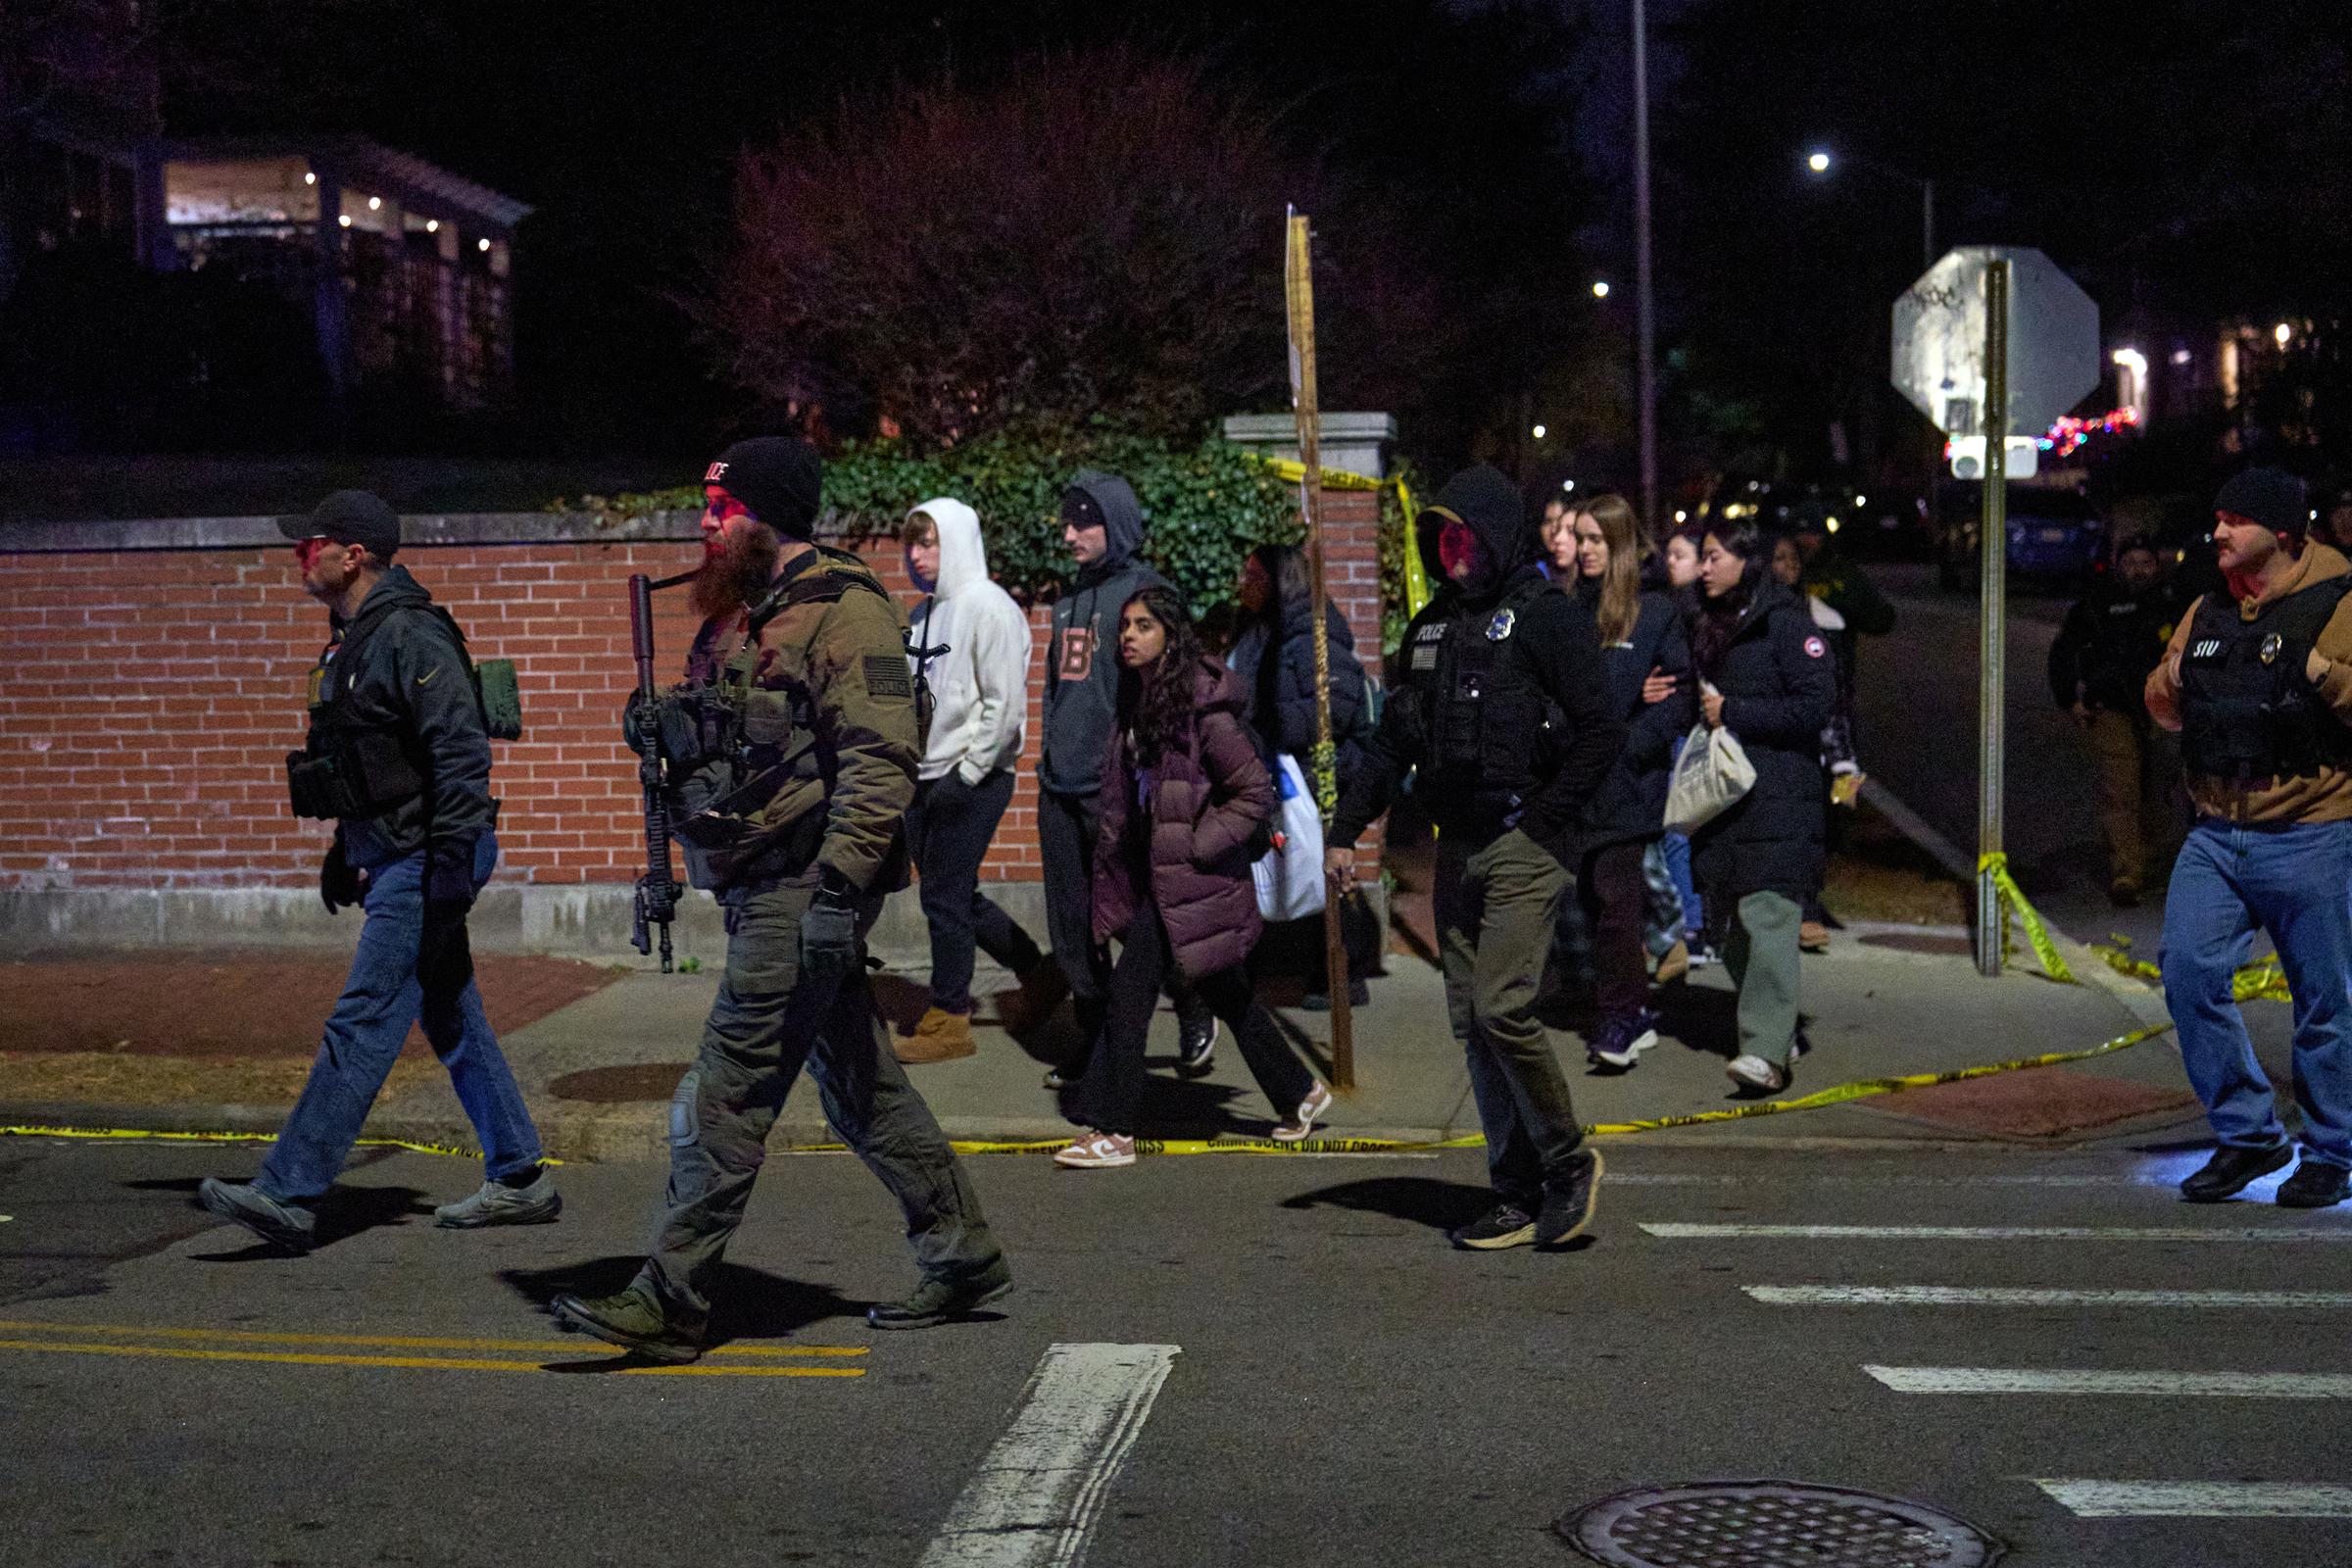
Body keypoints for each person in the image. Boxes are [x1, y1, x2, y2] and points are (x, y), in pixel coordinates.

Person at [552, 437, 1008, 1360]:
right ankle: (962, 1251)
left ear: (767, 518)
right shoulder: (739, 615)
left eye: (724, 510)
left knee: (728, 1090)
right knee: (860, 1090)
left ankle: (671, 1297)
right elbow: (723, 735)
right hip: (758, 878)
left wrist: (839, 893)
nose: (708, 524)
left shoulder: (846, 613)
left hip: (805, 887)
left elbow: (880, 766)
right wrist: (663, 727)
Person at [197, 492, 557, 1254]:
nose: (301, 555)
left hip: (430, 854)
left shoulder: (409, 634)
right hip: (396, 849)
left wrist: (453, 864)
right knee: (450, 1013)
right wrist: (343, 849)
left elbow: (460, 753)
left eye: (311, 543)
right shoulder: (354, 639)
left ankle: (288, 1191)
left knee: (365, 1015)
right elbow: (360, 763)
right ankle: (521, 1176)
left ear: (352, 554)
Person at [1328, 465, 1622, 1250]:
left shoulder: (1546, 620)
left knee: (1501, 1006)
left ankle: (1566, 1163)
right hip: (1457, 843)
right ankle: (1515, 1188)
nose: (1455, 552)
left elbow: (1601, 730)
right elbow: (1392, 742)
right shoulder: (1431, 628)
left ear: (1497, 538)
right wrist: (1343, 829)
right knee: (1471, 1021)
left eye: (1467, 536)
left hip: (1525, 841)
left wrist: (1548, 819)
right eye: (1444, 538)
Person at [1054, 588, 1337, 1167]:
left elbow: (1253, 791)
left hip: (1192, 880)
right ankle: (1299, 1091)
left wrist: (1197, 843)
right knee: (1225, 992)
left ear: (1172, 636)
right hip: (1158, 879)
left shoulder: (1203, 708)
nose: (1129, 636)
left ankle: (1114, 1129)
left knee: (1129, 997)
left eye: (1144, 626)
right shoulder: (1137, 699)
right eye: (1126, 626)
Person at [2145, 467, 2352, 1209]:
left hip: (2313, 832)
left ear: (2285, 532)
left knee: (2327, 1002)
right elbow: (2164, 707)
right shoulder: (2209, 607)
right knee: (2189, 972)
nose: (2219, 532)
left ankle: (2333, 1150)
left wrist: (2324, 675)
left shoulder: (2339, 603)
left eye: (2236, 520)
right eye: (2218, 517)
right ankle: (2248, 1134)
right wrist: (2171, 681)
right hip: (2216, 833)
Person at [1028, 472, 1218, 1082]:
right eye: (1066, 521)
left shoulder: (1147, 595)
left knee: (1138, 917)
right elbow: (1060, 689)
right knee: (1072, 927)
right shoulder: (1068, 599)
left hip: (1116, 789)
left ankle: (1192, 1005)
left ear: (1115, 522)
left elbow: (1172, 691)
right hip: (1060, 786)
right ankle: (1099, 1040)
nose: (1068, 534)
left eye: (1082, 521)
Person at [897, 498, 1050, 1063]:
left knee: (943, 895)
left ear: (957, 541)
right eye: (912, 543)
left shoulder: (990, 608)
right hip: (924, 774)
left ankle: (950, 1018)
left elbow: (1004, 703)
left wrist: (969, 772)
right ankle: (1039, 972)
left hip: (971, 777)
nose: (917, 555)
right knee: (954, 894)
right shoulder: (923, 614)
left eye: (929, 541)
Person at [1690, 522, 1838, 1095]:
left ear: (1745, 561)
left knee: (1768, 918)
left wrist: (1735, 712)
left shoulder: (1788, 624)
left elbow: (1815, 707)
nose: (1705, 568)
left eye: (1714, 557)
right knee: (1725, 925)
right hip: (1724, 800)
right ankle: (1777, 1025)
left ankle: (1765, 1053)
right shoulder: (1710, 623)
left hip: (1778, 799)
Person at [1569, 494, 1695, 1070]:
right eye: (1581, 537)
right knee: (1594, 903)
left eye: (1596, 539)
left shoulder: (1653, 613)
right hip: (1577, 781)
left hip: (1625, 786)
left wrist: (1628, 741)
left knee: (1619, 902)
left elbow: (1676, 699)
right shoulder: (1567, 609)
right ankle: (1623, 1005)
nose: (1586, 549)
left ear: (1619, 544)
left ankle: (1622, 1016)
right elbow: (1563, 695)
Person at [1227, 542, 1381, 1010]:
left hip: (1313, 776)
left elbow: (1334, 708)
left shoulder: (1312, 637)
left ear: (1280, 582)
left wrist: (1265, 718)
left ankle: (1341, 971)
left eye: (1254, 576)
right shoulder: (1259, 632)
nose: (1243, 584)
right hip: (1273, 767)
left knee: (1320, 865)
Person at [2048, 537, 2181, 906]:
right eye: (2131, 562)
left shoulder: (2174, 606)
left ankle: (2148, 856)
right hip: (2112, 709)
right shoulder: (2097, 605)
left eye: (2146, 562)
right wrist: (2069, 698)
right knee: (2120, 791)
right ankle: (2126, 873)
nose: (2138, 570)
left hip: (2163, 711)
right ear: (2118, 565)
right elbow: (2064, 651)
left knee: (2159, 790)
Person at [1654, 527, 1709, 962]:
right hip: (1685, 729)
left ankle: (1689, 922)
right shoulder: (1679, 604)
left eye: (1681, 555)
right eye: (1669, 554)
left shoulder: (1691, 609)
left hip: (1685, 732)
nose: (1671, 562)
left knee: (1678, 830)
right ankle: (1690, 920)